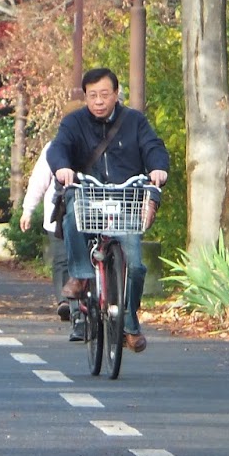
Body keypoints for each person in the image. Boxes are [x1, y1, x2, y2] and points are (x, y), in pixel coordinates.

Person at [50, 68, 169, 352]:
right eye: (93, 96)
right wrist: (63, 167)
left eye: (105, 94)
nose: (99, 101)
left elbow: (153, 147)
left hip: (125, 199)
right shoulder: (74, 122)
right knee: (72, 215)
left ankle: (129, 323)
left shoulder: (135, 122)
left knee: (136, 266)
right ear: (86, 97)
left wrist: (157, 169)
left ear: (116, 94)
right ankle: (80, 276)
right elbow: (58, 149)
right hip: (89, 195)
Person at [19, 142, 71, 325]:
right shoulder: (54, 147)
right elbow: (39, 181)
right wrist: (28, 210)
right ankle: (64, 301)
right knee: (62, 259)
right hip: (58, 214)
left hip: (91, 214)